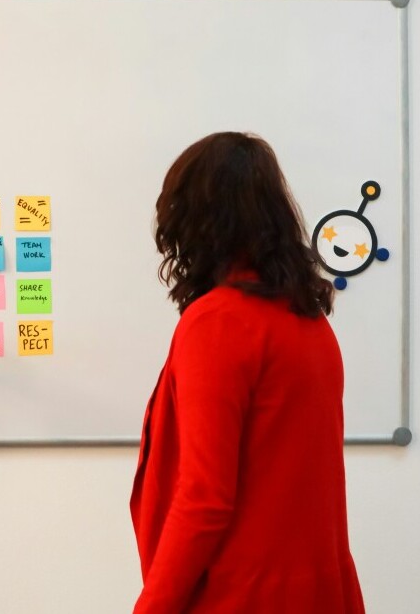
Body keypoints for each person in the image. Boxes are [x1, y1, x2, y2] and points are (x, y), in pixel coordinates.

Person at [130, 132, 365, 613]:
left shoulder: (217, 324)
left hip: (242, 597)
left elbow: (204, 499)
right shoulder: (310, 322)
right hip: (317, 593)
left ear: (192, 219)